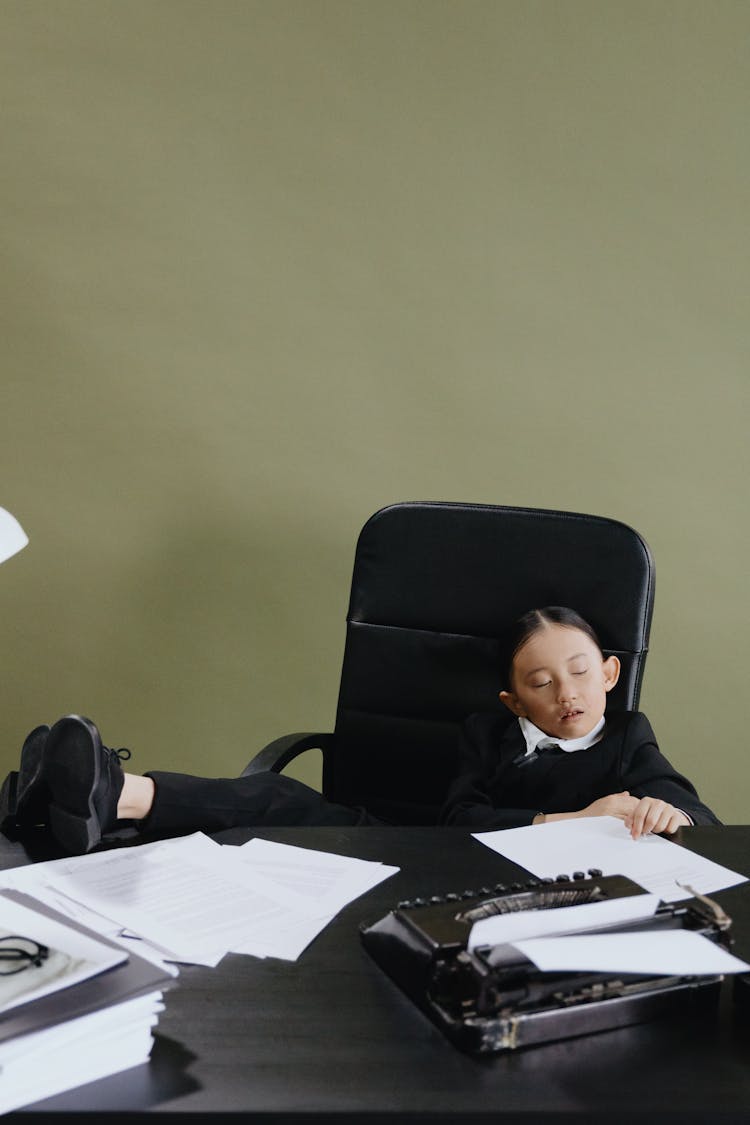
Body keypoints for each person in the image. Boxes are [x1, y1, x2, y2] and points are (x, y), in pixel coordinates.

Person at [0, 606, 719, 855]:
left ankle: (50, 793)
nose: (568, 693)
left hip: (495, 893)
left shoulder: (627, 739)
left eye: (582, 671)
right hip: (407, 840)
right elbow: (458, 818)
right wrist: (579, 816)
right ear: (514, 699)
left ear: (612, 672)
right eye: (542, 683)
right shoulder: (485, 733)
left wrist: (666, 811)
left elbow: (702, 822)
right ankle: (106, 789)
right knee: (278, 796)